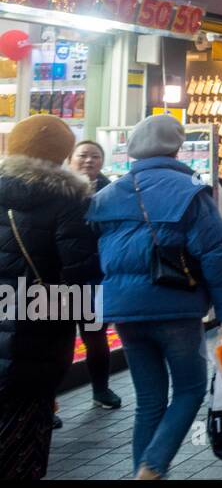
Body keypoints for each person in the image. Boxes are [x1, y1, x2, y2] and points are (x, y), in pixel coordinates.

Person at [88, 114, 222, 478]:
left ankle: (144, 476)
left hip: (125, 311)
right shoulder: (189, 189)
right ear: (176, 146)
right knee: (189, 389)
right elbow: (215, 253)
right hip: (175, 306)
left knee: (149, 401)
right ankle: (153, 466)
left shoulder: (106, 195)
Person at [0, 116, 99, 480]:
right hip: (40, 325)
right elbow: (80, 271)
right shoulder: (69, 200)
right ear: (63, 153)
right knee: (26, 427)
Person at [68, 141, 121, 409]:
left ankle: (101, 389)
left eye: (95, 156)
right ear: (70, 159)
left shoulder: (111, 192)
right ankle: (49, 403)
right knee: (59, 343)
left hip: (95, 277)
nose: (89, 160)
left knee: (95, 336)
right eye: (83, 155)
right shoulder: (59, 190)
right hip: (61, 279)